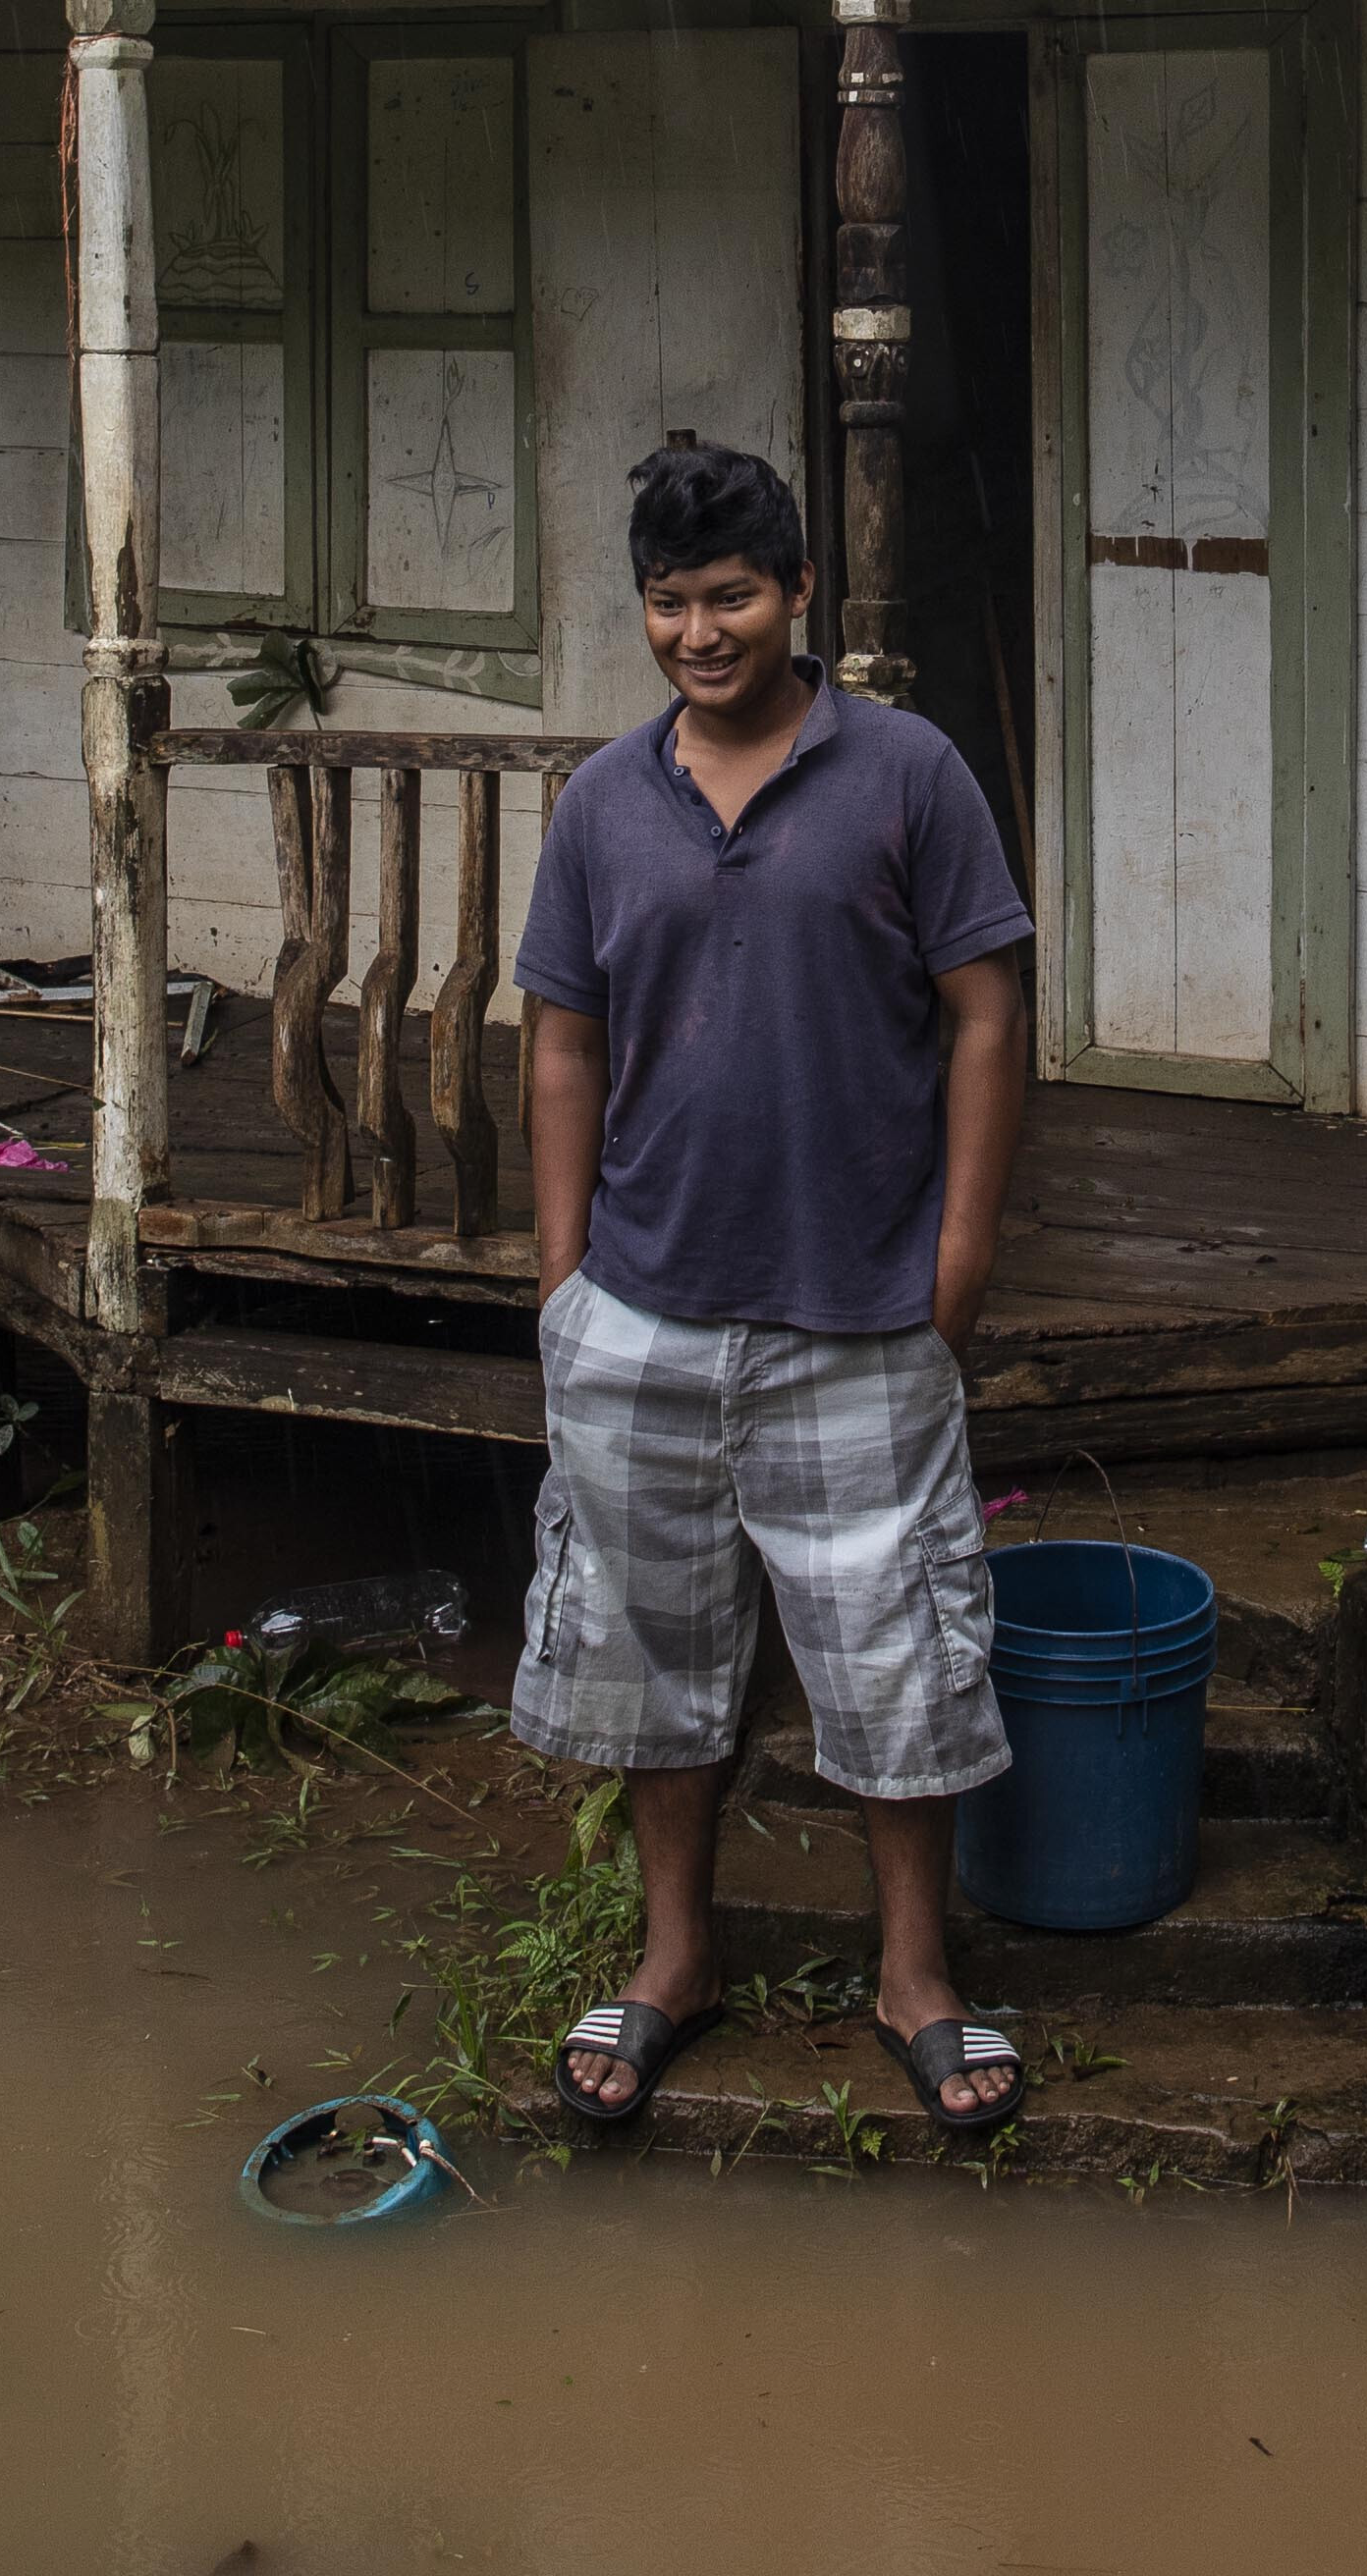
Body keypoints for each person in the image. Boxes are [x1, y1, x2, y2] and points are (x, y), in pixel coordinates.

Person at [512, 439, 1041, 2138]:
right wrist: (563, 1281)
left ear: (801, 593)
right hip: (644, 1310)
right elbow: (563, 1046)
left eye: (731, 595)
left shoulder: (908, 777)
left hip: (860, 1311)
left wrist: (956, 1261)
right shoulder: (602, 805)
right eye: (667, 604)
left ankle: (916, 1977)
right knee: (659, 1659)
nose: (698, 633)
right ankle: (677, 1957)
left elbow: (986, 1015)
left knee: (894, 1658)